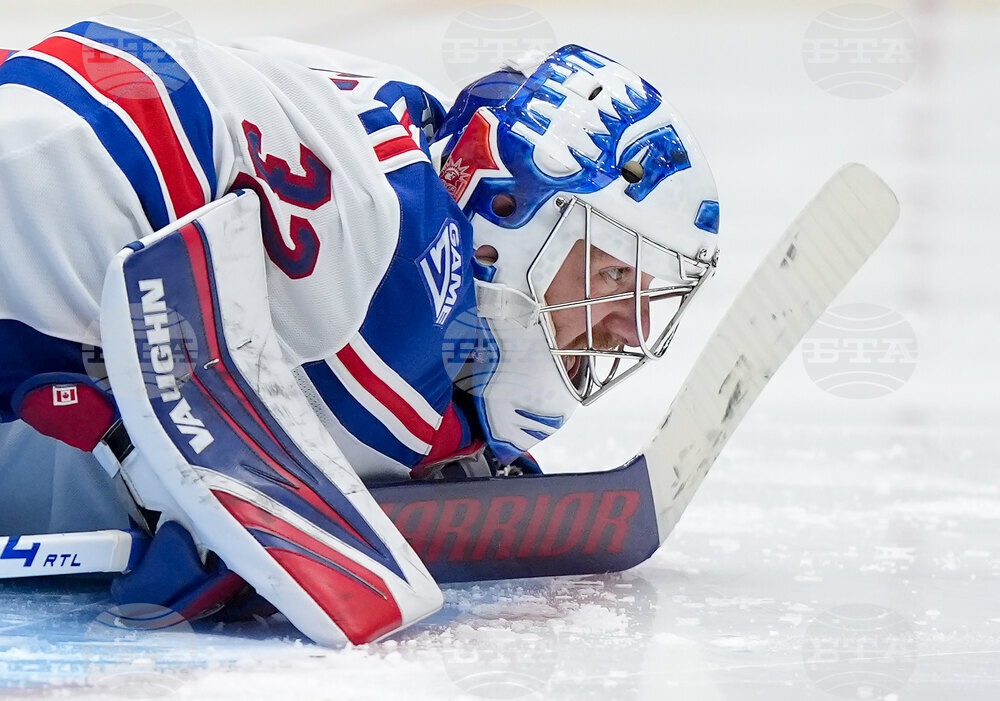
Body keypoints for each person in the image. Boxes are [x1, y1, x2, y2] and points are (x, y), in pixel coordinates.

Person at [0, 16, 719, 644]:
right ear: (510, 222)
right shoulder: (403, 291)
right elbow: (322, 491)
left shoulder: (405, 112)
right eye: (611, 276)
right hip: (49, 178)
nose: (626, 326)